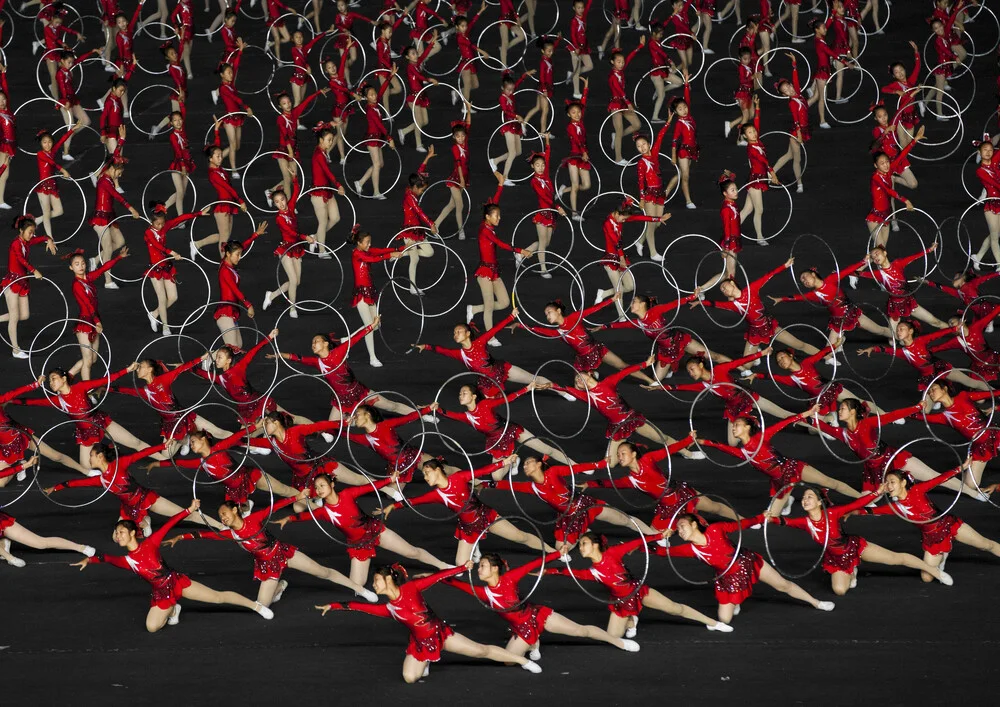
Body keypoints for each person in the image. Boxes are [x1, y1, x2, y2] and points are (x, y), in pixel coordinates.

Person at [315, 563, 542, 682]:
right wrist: (334, 606)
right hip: (420, 644)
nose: (374, 585)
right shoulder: (390, 609)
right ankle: (426, 662)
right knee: (409, 678)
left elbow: (437, 577)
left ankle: (521, 660)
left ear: (388, 580)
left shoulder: (410, 589)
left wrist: (462, 568)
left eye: (376, 581)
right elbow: (360, 607)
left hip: (441, 634)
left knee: (480, 651)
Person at [71, 501, 273, 632]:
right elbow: (108, 559)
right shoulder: (127, 561)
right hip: (162, 595)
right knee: (151, 628)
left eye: (122, 532)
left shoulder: (150, 544)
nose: (118, 536)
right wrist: (90, 560)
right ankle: (173, 609)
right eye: (117, 533)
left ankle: (256, 606)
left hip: (177, 583)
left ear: (133, 533)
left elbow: (170, 523)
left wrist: (189, 510)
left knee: (217, 597)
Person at [162, 496, 376, 608]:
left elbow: (275, 506)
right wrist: (181, 537)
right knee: (262, 605)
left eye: (225, 513)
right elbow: (204, 536)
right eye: (221, 516)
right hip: (267, 565)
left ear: (235, 510)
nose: (223, 518)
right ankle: (280, 585)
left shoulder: (253, 519)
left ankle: (361, 589)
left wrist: (297, 497)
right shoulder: (230, 534)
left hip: (282, 552)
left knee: (323, 572)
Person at [445, 550, 641, 658]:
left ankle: (619, 642)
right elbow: (455, 583)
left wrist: (557, 554)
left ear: (495, 568)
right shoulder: (483, 592)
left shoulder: (510, 579)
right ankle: (533, 644)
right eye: (479, 567)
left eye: (483, 566)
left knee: (580, 631)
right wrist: (442, 575)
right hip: (521, 628)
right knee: (508, 661)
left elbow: (535, 563)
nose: (479, 570)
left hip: (537, 615)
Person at [766, 486, 953, 594]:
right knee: (840, 591)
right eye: (804, 497)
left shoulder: (832, 513)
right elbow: (784, 521)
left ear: (819, 502)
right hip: (837, 560)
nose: (805, 500)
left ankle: (934, 571)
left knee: (897, 559)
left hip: (853, 547)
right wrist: (770, 517)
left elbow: (857, 504)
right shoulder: (805, 522)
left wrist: (877, 493)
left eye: (809, 497)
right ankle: (851, 571)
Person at [272, 472, 450, 586]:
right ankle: (382, 579)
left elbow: (368, 487)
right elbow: (305, 516)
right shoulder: (324, 512)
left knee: (412, 552)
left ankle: (443, 566)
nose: (318, 490)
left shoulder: (347, 495)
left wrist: (389, 480)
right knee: (356, 584)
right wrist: (289, 518)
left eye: (322, 485)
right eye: (316, 487)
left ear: (332, 484)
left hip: (374, 531)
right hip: (358, 544)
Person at [545, 531, 733, 637]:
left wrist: (661, 535)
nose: (580, 547)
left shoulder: (613, 553)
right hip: (620, 601)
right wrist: (548, 570)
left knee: (675, 608)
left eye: (583, 543)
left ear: (595, 544)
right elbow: (571, 573)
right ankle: (630, 619)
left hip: (638, 590)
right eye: (579, 545)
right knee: (613, 637)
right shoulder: (592, 572)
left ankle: (713, 623)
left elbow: (637, 541)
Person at [381, 455, 556, 565]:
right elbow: (414, 501)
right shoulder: (436, 494)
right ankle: (475, 546)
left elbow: (483, 470)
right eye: (424, 475)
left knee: (520, 536)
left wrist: (504, 462)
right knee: (460, 564)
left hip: (485, 516)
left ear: (438, 470)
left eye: (427, 473)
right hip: (468, 528)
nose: (425, 477)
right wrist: (393, 506)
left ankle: (553, 552)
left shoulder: (458, 478)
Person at [660, 514, 835, 623]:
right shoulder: (689, 549)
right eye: (677, 529)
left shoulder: (715, 529)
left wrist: (759, 518)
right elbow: (661, 552)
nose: (679, 531)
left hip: (747, 563)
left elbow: (740, 524)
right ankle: (735, 601)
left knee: (783, 585)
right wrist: (657, 537)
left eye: (682, 526)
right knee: (724, 619)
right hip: (728, 579)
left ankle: (816, 602)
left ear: (694, 524)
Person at [696, 406, 863, 516]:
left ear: (748, 427)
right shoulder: (743, 453)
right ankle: (784, 502)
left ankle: (865, 500)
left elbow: (782, 423)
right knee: (771, 517)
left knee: (830, 482)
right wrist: (701, 441)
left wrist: (805, 414)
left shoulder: (760, 438)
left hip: (793, 467)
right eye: (733, 425)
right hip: (780, 481)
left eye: (737, 424)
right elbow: (720, 447)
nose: (733, 427)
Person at [864, 462, 1000, 581]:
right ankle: (943, 554)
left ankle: (946, 552)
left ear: (903, 482)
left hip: (948, 524)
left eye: (892, 482)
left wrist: (960, 468)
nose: (889, 486)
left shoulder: (917, 490)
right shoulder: (896, 507)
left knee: (985, 544)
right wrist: (853, 509)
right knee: (927, 577)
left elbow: (939, 479)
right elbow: (867, 511)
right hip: (932, 538)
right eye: (886, 483)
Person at [512, 296, 654, 382]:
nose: (547, 316)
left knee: (622, 365)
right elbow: (539, 330)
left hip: (596, 349)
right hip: (583, 360)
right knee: (580, 388)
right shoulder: (558, 332)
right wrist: (520, 324)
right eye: (545, 315)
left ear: (558, 311)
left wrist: (611, 300)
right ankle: (591, 374)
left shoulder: (574, 318)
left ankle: (649, 380)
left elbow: (592, 310)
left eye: (549, 312)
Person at [111, 356, 232, 456]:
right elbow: (125, 390)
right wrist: (107, 388)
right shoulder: (144, 391)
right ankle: (185, 441)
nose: (138, 369)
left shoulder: (163, 380)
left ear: (149, 369)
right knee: (166, 456)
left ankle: (247, 441)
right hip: (170, 425)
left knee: (218, 432)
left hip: (184, 416)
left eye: (141, 366)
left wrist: (202, 357)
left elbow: (182, 368)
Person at [429, 383, 572, 462]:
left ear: (473, 396)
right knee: (496, 476)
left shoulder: (484, 404)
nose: (460, 395)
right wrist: (437, 409)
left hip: (509, 430)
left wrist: (526, 389)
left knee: (547, 450)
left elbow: (506, 399)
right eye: (459, 393)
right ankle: (513, 462)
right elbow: (449, 414)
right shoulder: (467, 416)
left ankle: (576, 465)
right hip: (495, 441)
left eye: (464, 393)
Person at [0, 215, 57, 358]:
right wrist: (34, 270)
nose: (32, 235)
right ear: (21, 230)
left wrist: (48, 239)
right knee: (14, 316)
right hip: (12, 282)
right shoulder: (16, 244)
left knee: (24, 315)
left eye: (33, 232)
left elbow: (39, 239)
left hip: (22, 282)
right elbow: (20, 259)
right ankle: (15, 349)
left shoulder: (26, 242)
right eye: (30, 232)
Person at [66, 246, 127, 380]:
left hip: (94, 320)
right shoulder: (77, 284)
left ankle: (68, 375)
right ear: (71, 268)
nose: (81, 266)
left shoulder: (88, 278)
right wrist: (97, 322)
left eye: (82, 263)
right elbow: (87, 304)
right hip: (85, 322)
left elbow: (103, 268)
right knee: (87, 360)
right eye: (77, 264)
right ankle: (87, 391)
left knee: (92, 359)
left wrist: (118, 257)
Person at [347, 226, 403, 366]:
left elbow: (379, 251)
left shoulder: (365, 250)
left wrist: (398, 249)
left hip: (370, 293)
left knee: (375, 325)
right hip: (361, 295)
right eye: (367, 242)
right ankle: (372, 358)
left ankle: (345, 342)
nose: (369, 244)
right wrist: (390, 256)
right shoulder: (357, 254)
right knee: (370, 327)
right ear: (359, 243)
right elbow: (372, 260)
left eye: (370, 241)